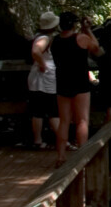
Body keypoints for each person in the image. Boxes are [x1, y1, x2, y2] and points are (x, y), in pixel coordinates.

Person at [51, 11, 102, 166]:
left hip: (62, 82)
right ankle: (82, 155)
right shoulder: (81, 38)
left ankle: (60, 156)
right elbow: (96, 49)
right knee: (82, 120)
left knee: (64, 121)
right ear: (74, 24)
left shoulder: (55, 41)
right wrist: (87, 30)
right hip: (80, 82)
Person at [27, 12, 60, 150]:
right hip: (46, 77)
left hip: (38, 77)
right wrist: (42, 64)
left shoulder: (38, 36)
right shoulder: (45, 38)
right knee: (53, 109)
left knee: (38, 110)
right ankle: (61, 139)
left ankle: (38, 140)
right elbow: (36, 51)